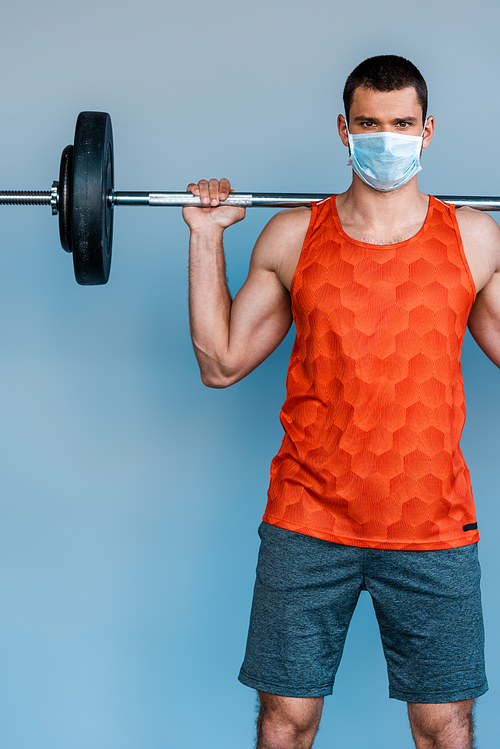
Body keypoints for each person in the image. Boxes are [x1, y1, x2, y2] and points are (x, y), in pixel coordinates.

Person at [182, 55, 500, 749]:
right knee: (284, 723)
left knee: (446, 726)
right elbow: (220, 362)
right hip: (308, 520)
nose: (386, 136)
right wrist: (206, 239)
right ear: (344, 129)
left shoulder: (473, 239)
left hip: (432, 525)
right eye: (369, 123)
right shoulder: (295, 237)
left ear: (427, 130)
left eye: (401, 123)